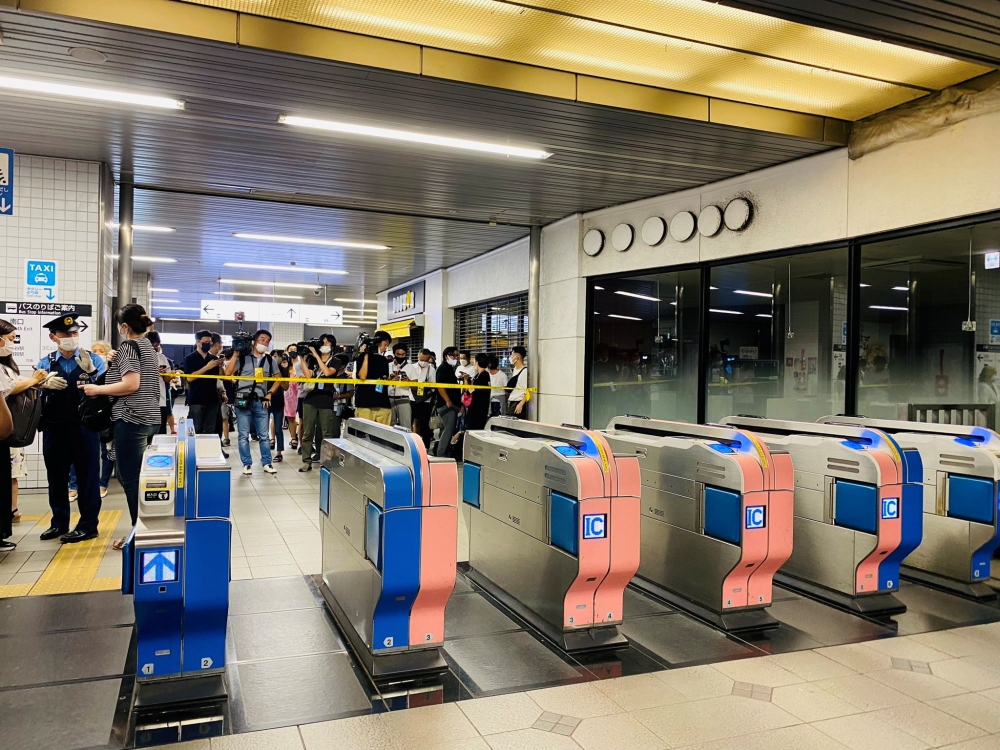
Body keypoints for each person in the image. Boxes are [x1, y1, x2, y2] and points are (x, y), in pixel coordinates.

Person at [83, 305, 162, 550]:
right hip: (150, 418)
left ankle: (139, 534)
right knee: (143, 479)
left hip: (131, 419)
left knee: (132, 481)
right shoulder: (147, 345)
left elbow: (130, 384)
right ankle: (145, 529)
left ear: (125, 327)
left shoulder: (129, 346)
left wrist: (96, 389)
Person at [35, 313, 107, 544]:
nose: (71, 337)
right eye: (65, 334)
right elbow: (33, 390)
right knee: (56, 476)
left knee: (87, 477)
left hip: (85, 428)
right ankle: (59, 523)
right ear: (53, 337)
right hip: (54, 427)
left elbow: (105, 391)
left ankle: (88, 525)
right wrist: (42, 385)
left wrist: (93, 375)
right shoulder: (45, 362)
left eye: (74, 333)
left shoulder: (93, 359)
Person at [0, 319, 47, 548]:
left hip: (5, 434)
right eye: (9, 339)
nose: (12, 344)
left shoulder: (6, 364)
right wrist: (33, 380)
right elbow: (8, 387)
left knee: (7, 478)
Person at [224, 330, 280, 476]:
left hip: (261, 401)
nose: (265, 343)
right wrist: (236, 353)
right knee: (243, 435)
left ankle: (267, 463)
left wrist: (270, 393)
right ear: (255, 340)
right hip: (243, 400)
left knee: (264, 435)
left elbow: (279, 378)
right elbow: (227, 373)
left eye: (267, 341)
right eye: (262, 339)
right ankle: (247, 464)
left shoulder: (269, 360)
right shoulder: (242, 358)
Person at [299, 335, 338, 470]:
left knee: (326, 432)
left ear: (332, 345)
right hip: (310, 399)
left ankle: (326, 461)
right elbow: (309, 376)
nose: (325, 344)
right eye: (323, 342)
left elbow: (327, 373)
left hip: (326, 399)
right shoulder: (312, 359)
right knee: (307, 432)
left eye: (328, 342)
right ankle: (306, 461)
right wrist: (302, 359)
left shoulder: (335, 361)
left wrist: (316, 356)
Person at [183, 330, 224, 435]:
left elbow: (222, 377)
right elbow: (190, 378)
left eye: (209, 342)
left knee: (210, 430)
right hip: (197, 399)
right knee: (196, 429)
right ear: (198, 342)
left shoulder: (213, 358)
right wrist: (207, 367)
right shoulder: (190, 358)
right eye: (205, 342)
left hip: (212, 399)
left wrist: (220, 366)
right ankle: (195, 450)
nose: (208, 344)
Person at [354, 331, 393, 424]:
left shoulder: (384, 360)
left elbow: (383, 378)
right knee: (364, 433)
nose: (385, 347)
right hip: (365, 403)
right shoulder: (361, 357)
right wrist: (366, 355)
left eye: (387, 345)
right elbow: (362, 376)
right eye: (385, 344)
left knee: (383, 434)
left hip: (382, 403)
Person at [145, 331, 174, 435]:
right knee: (146, 431)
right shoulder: (140, 357)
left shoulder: (162, 358)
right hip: (144, 401)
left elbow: (167, 380)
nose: (155, 346)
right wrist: (154, 372)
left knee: (160, 431)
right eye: (152, 343)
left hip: (161, 399)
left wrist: (169, 375)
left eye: (157, 343)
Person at [434, 346, 461, 457]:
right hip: (447, 405)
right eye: (453, 355)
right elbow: (440, 387)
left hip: (451, 404)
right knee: (448, 431)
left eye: (456, 356)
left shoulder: (449, 368)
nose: (455, 358)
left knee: (446, 430)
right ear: (446, 356)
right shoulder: (443, 369)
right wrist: (448, 400)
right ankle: (441, 454)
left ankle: (442, 451)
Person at [409, 349, 435, 447]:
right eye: (421, 359)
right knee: (413, 422)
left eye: (426, 360)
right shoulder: (411, 367)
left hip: (426, 401)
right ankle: (414, 444)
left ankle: (426, 445)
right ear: (418, 357)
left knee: (424, 424)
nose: (423, 362)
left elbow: (434, 387)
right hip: (412, 398)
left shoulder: (432, 370)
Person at [268, 350, 291, 462]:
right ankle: (266, 453)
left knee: (278, 429)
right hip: (266, 401)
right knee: (263, 430)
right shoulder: (265, 369)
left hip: (278, 401)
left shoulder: (284, 371)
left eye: (277, 356)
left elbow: (286, 387)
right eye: (274, 356)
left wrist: (278, 378)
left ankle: (279, 452)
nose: (275, 358)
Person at [389, 343, 414, 429]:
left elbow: (416, 386)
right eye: (398, 354)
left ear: (406, 354)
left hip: (404, 399)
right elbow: (381, 383)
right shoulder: (388, 366)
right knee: (389, 426)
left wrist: (408, 381)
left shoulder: (411, 367)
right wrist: (390, 380)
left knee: (406, 426)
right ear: (394, 354)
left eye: (403, 354)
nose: (400, 357)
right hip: (389, 399)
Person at [465, 353, 492, 432]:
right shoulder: (479, 375)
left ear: (477, 362)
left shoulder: (483, 376)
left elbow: (470, 391)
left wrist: (468, 384)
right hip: (477, 406)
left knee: (475, 429)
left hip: (478, 408)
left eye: (474, 361)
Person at [284, 344, 300, 452]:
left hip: (300, 392)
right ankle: (293, 437)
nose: (293, 351)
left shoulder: (301, 364)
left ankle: (299, 436)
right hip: (288, 394)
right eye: (291, 350)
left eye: (295, 350)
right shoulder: (286, 365)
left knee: (301, 419)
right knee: (290, 417)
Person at [506, 345, 529, 417]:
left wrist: (520, 404)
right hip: (513, 401)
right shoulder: (515, 369)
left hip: (518, 402)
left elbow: (528, 391)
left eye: (512, 354)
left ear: (517, 357)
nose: (510, 357)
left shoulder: (525, 371)